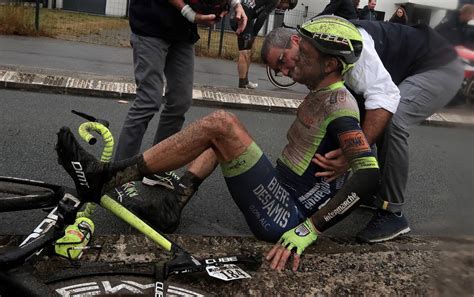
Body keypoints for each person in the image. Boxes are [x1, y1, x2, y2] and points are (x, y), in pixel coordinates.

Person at [56, 18, 381, 271]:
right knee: (223, 138)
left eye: (304, 56)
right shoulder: (323, 92)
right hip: (281, 192)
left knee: (223, 125)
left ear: (330, 65)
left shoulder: (340, 105)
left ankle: (109, 176)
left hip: (287, 216)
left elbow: (367, 177)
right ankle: (171, 207)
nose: (294, 64)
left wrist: (309, 230)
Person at [261, 15, 464, 243]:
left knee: (392, 119)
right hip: (409, 67)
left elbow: (385, 96)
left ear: (297, 41)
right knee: (360, 114)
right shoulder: (319, 51)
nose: (284, 71)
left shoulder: (348, 46)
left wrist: (351, 156)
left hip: (440, 66)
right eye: (278, 71)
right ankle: (369, 191)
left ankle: (392, 213)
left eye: (281, 61)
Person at [113, 0, 247, 190]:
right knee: (148, 100)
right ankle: (119, 177)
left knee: (180, 101)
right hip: (151, 23)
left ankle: (156, 170)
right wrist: (190, 14)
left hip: (182, 32)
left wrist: (236, 5)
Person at [230, 0, 298, 89]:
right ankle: (242, 85)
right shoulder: (275, 1)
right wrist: (254, 34)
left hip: (243, 16)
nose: (282, 9)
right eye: (285, 7)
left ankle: (245, 81)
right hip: (242, 18)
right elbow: (262, 17)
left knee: (250, 51)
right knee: (245, 53)